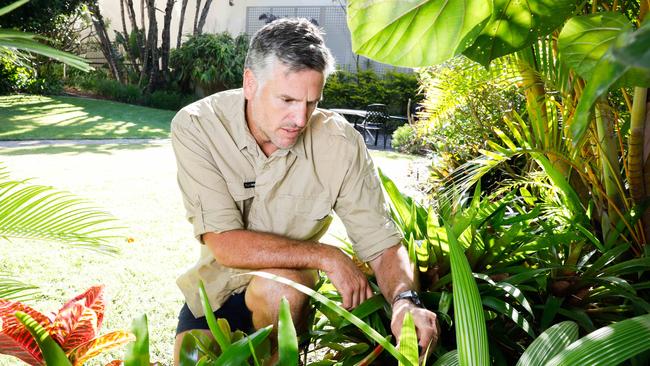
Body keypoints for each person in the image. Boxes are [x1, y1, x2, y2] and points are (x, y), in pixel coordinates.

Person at [171, 18, 439, 365]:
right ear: (250, 83)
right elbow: (224, 242)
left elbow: (381, 242)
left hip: (284, 294)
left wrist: (406, 300)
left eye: (312, 103)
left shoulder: (340, 144)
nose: (300, 118)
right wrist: (327, 256)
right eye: (287, 99)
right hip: (214, 292)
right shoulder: (197, 126)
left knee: (280, 287)